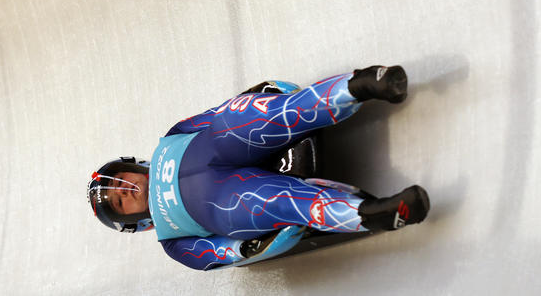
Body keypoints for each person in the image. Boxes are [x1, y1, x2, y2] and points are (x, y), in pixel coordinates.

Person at [87, 66, 429, 270]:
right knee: (281, 202)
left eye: (118, 181)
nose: (124, 191)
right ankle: (376, 213)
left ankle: (362, 85)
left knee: (269, 116)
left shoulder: (170, 138)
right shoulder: (173, 243)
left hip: (223, 141)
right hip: (225, 202)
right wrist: (256, 246)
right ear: (136, 222)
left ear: (131, 166)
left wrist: (259, 99)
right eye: (119, 202)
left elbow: (215, 115)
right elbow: (222, 253)